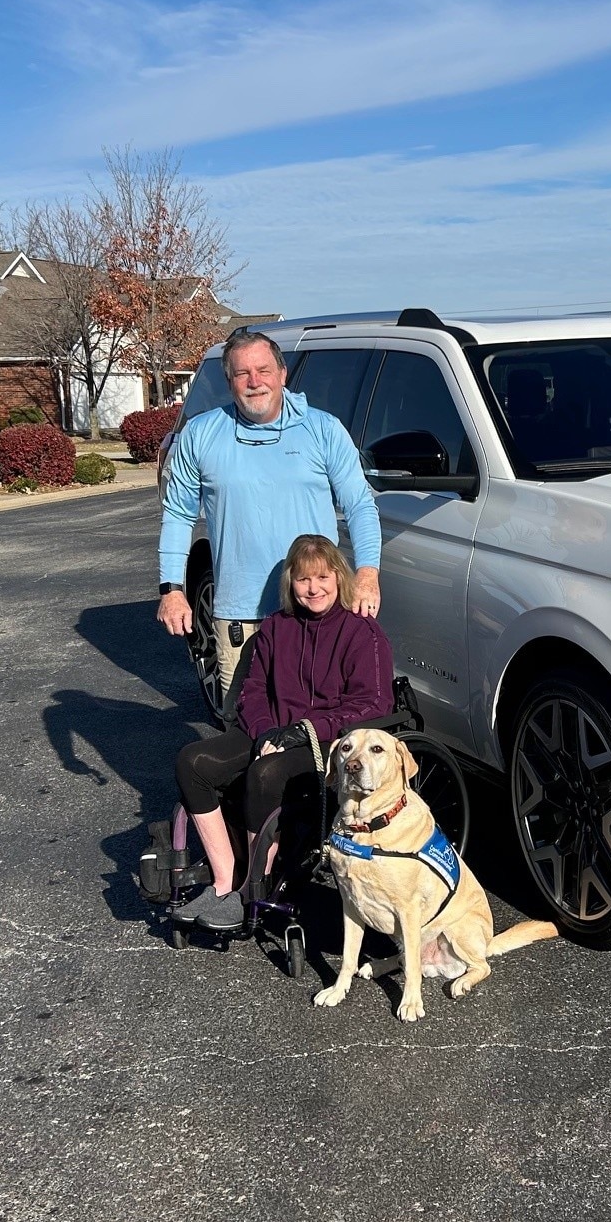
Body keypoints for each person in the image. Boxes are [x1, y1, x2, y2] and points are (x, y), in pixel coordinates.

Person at [156, 326, 382, 715]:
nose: (254, 382)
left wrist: (367, 573)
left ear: (282, 374)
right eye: (243, 374)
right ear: (229, 382)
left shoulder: (322, 429)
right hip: (240, 616)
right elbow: (178, 514)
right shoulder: (201, 434)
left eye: (263, 370)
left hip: (314, 612)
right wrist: (172, 589)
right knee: (244, 733)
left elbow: (360, 504)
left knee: (320, 731)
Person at [172, 534, 392, 930]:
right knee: (193, 762)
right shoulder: (276, 628)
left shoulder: (361, 632)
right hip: (270, 729)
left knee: (265, 773)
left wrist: (302, 730)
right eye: (303, 580)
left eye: (323, 577)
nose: (314, 588)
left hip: (327, 740)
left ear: (339, 579)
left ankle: (255, 886)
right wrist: (266, 734)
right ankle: (226, 881)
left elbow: (373, 704)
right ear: (291, 583)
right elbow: (253, 691)